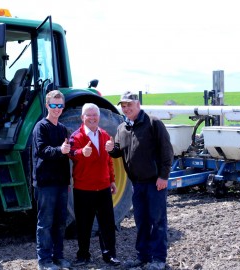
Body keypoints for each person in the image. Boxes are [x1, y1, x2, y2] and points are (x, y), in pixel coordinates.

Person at [108, 91, 174, 270]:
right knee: (141, 221)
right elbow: (118, 152)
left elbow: (167, 151)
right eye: (123, 105)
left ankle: (159, 259)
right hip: (136, 184)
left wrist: (163, 176)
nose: (126, 108)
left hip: (155, 183)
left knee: (158, 221)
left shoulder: (153, 123)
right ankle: (143, 257)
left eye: (129, 104)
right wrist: (110, 149)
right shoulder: (122, 128)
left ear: (138, 104)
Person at [68, 103, 121, 267]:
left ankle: (109, 254)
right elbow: (70, 153)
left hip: (103, 187)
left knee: (107, 224)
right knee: (84, 224)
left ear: (98, 117)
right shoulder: (76, 137)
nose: (92, 118)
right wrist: (80, 153)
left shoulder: (105, 135)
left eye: (94, 115)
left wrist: (112, 180)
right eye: (88, 115)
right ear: (82, 117)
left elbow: (109, 161)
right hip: (84, 189)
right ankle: (83, 255)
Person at [32, 90, 71, 270]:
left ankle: (59, 257)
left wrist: (68, 181)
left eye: (60, 106)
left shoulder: (63, 129)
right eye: (54, 105)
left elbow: (66, 155)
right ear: (47, 106)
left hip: (61, 183)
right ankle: (44, 261)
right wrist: (60, 150)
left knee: (60, 222)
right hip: (46, 182)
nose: (57, 109)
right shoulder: (41, 127)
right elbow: (42, 150)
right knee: (45, 223)